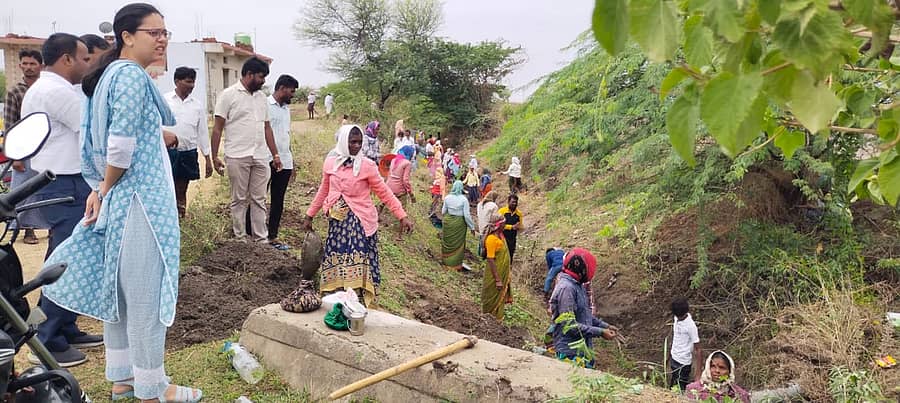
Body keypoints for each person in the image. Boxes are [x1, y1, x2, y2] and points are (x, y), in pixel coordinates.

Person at [42, 3, 203, 401]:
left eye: (165, 32)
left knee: (122, 293)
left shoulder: (111, 75)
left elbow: (104, 144)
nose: (162, 39)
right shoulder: (130, 77)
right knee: (146, 295)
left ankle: (123, 378)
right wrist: (106, 188)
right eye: (154, 32)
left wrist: (101, 190)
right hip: (140, 203)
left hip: (122, 200)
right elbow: (120, 148)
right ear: (127, 36)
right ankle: (152, 389)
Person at [22, 33, 102, 368]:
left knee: (66, 255)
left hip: (60, 183)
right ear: (66, 59)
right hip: (66, 184)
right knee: (67, 260)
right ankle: (47, 336)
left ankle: (65, 326)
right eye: (84, 58)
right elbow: (92, 131)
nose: (87, 64)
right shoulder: (56, 91)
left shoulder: (45, 88)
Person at [303, 125, 412, 306]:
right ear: (343, 142)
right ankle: (336, 297)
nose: (356, 146)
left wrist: (402, 215)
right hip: (337, 223)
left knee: (357, 258)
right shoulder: (331, 163)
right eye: (352, 142)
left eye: (359, 142)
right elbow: (324, 190)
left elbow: (384, 192)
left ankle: (356, 300)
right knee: (337, 256)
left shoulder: (367, 166)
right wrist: (309, 215)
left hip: (359, 222)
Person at [211, 56, 283, 242]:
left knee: (259, 200)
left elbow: (267, 127)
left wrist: (275, 154)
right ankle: (240, 239)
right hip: (237, 155)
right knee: (240, 199)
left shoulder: (261, 98)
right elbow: (218, 128)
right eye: (261, 77)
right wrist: (214, 156)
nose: (263, 81)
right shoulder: (228, 95)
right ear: (249, 74)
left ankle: (261, 240)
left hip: (260, 156)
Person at [549, 248, 618, 368]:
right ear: (580, 267)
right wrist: (600, 332)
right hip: (570, 352)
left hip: (582, 348)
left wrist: (604, 326)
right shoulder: (567, 289)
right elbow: (569, 325)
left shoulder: (577, 285)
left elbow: (584, 314)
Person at [163, 67, 212, 218]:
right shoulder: (165, 101)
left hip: (188, 154)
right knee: (166, 189)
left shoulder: (197, 105)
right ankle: (167, 219)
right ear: (177, 81)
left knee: (182, 189)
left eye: (193, 82)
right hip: (167, 153)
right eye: (188, 81)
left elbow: (202, 133)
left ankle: (181, 220)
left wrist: (208, 159)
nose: (192, 85)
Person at [6, 49, 44, 245]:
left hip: (46, 147)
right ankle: (26, 229)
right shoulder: (16, 91)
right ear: (20, 65)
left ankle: (45, 226)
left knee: (44, 188)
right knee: (24, 189)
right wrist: (15, 156)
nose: (29, 67)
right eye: (25, 63)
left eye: (32, 64)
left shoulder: (47, 88)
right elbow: (11, 124)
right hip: (25, 148)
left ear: (41, 66)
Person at [266, 75, 299, 250]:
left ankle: (272, 236)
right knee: (258, 198)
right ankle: (251, 234)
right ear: (282, 88)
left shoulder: (286, 109)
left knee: (278, 200)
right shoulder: (265, 105)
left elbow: (286, 135)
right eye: (291, 91)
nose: (293, 95)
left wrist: (290, 160)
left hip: (284, 161)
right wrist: (273, 155)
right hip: (266, 159)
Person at [686, 351, 751, 402]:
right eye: (713, 366)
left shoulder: (740, 394)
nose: (717, 371)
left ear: (730, 371)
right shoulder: (694, 389)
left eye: (722, 367)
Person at [441, 180, 476, 271]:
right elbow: (467, 216)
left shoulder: (447, 198)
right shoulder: (464, 200)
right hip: (459, 224)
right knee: (458, 243)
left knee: (448, 241)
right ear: (461, 188)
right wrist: (472, 227)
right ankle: (455, 265)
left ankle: (446, 261)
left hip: (448, 222)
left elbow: (443, 211)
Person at [482, 214, 511, 320]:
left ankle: (498, 318)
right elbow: (490, 259)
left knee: (500, 297)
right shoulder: (491, 239)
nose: (505, 225)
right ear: (499, 225)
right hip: (495, 274)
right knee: (492, 296)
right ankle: (488, 317)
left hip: (502, 271)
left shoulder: (501, 236)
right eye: (504, 223)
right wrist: (498, 279)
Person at [670, 298, 702, 392]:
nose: (678, 318)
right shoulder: (676, 317)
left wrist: (698, 374)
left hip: (683, 363)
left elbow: (698, 349)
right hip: (674, 358)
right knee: (672, 386)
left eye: (680, 317)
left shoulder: (691, 327)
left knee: (680, 389)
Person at [385, 145, 416, 240]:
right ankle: (399, 236)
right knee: (402, 211)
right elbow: (405, 180)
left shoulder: (394, 160)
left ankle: (379, 219)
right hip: (399, 190)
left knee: (384, 204)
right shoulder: (407, 163)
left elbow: (389, 174)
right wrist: (411, 194)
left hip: (389, 186)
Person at [498, 194, 523, 260]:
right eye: (513, 202)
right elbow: (498, 225)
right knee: (502, 254)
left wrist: (519, 227)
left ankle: (509, 268)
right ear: (508, 202)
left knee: (510, 254)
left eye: (516, 202)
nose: (514, 204)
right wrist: (511, 227)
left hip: (512, 238)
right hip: (502, 236)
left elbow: (521, 226)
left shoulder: (519, 214)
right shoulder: (502, 211)